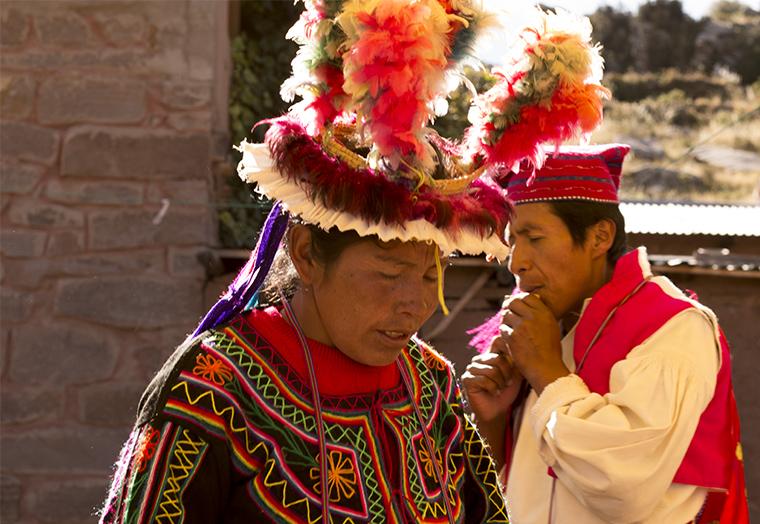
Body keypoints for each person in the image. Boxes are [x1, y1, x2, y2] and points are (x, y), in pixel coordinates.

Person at [98, 1, 611, 520]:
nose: (415, 306)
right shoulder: (211, 390)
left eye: (429, 274)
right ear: (306, 256)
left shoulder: (429, 386)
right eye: (389, 275)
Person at [462, 144, 749, 523]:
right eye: (512, 240)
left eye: (534, 237)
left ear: (600, 237)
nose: (517, 262)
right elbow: (522, 495)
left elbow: (620, 486)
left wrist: (548, 373)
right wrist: (494, 422)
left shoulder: (673, 329)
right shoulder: (546, 327)